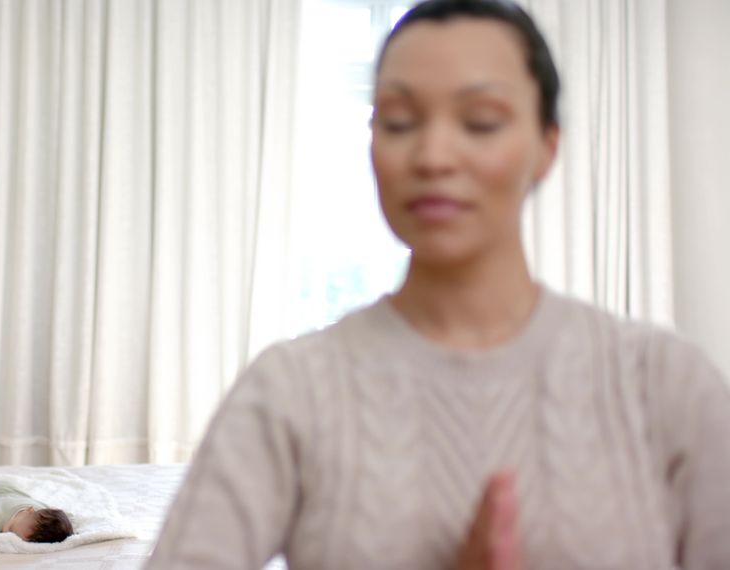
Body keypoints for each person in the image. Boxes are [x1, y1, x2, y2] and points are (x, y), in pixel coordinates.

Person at [147, 1, 730, 568]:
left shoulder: (664, 386)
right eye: (398, 122)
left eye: (480, 122)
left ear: (547, 146)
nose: (432, 155)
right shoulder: (290, 391)